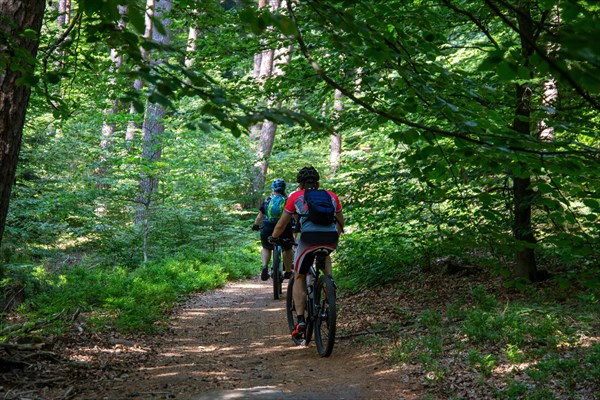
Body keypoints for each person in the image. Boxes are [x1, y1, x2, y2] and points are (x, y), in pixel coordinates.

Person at [269, 166, 344, 340]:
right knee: (325, 255)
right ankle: (329, 286)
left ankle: (301, 320)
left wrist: (274, 238)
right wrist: (335, 237)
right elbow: (340, 221)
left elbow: (281, 224)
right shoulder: (331, 196)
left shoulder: (296, 197)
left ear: (301, 184)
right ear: (317, 182)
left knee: (299, 275)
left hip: (308, 240)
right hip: (330, 239)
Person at [252, 178, 295, 281]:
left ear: (273, 189)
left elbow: (259, 216)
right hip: (284, 228)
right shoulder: (288, 200)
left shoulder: (267, 200)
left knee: (266, 247)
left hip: (268, 227)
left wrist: (256, 225)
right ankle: (288, 271)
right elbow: (294, 216)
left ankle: (265, 266)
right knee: (287, 248)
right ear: (284, 188)